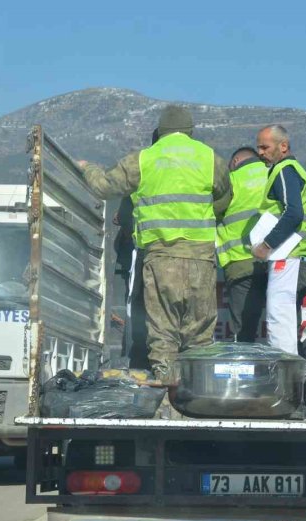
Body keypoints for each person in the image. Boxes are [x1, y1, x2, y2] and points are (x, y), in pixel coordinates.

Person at [78, 105, 232, 383]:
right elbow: (225, 196)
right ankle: (197, 391)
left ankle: (166, 389)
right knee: (199, 333)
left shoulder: (144, 159)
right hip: (201, 257)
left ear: (161, 131)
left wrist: (89, 169)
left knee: (163, 330)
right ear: (190, 131)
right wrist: (209, 215)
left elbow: (103, 187)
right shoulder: (209, 158)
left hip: (161, 257)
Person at [253, 125, 306, 356]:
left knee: (279, 322)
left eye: (264, 147)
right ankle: (297, 384)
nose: (260, 152)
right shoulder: (299, 171)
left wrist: (267, 244)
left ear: (283, 146)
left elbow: (293, 213)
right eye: (258, 147)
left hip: (287, 260)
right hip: (302, 259)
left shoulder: (283, 170)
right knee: (290, 323)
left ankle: (285, 386)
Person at [217, 147, 270, 342]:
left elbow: (212, 211)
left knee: (244, 329)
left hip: (241, 262)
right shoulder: (273, 174)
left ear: (236, 160)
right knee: (280, 323)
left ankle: (247, 369)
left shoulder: (232, 181)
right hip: (278, 261)